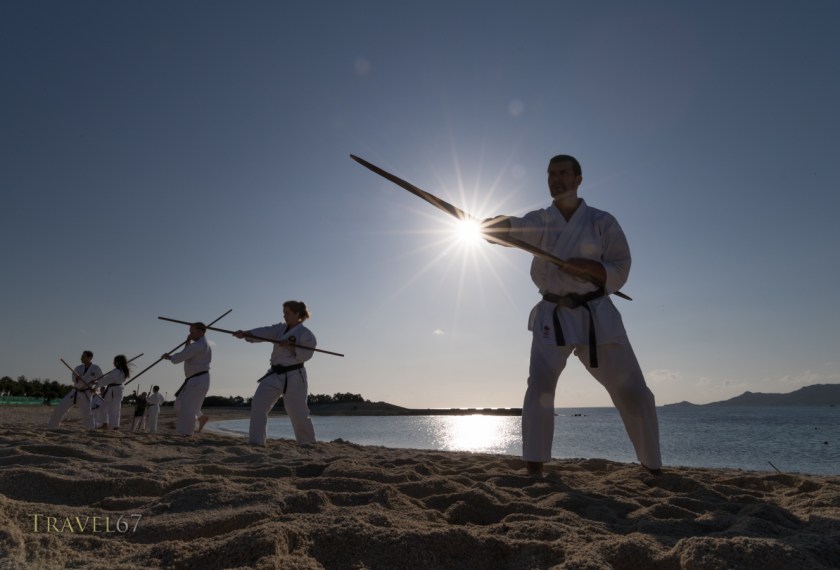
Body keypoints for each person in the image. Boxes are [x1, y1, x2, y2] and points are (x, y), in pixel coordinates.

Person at [484, 154, 662, 476]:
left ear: (579, 179)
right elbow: (518, 230)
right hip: (553, 315)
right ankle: (534, 467)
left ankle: (652, 467)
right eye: (551, 173)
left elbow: (621, 266)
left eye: (563, 173)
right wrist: (500, 226)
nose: (556, 179)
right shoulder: (542, 219)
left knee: (634, 390)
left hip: (597, 314)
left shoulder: (601, 222)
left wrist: (592, 268)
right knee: (539, 387)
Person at [234, 300, 317, 446]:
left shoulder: (306, 334)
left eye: (287, 313)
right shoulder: (279, 329)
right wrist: (246, 334)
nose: (284, 316)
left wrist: (291, 347)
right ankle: (256, 442)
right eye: (284, 312)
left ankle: (307, 443)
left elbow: (307, 355)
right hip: (274, 373)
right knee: (259, 404)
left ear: (298, 314)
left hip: (295, 375)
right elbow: (264, 332)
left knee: (297, 411)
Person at [163, 322, 211, 436]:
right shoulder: (199, 344)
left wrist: (169, 357)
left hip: (198, 380)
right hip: (196, 379)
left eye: (192, 332)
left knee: (187, 407)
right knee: (180, 404)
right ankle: (199, 419)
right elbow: (186, 353)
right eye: (190, 332)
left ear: (200, 332)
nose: (190, 334)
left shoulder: (199, 345)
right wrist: (188, 341)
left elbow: (181, 357)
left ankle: (186, 433)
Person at [48, 350, 102, 429]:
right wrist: (77, 378)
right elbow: (73, 378)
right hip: (75, 391)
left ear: (89, 358)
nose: (81, 358)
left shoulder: (96, 368)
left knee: (87, 413)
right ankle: (53, 425)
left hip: (86, 393)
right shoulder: (78, 368)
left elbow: (101, 380)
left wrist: (95, 387)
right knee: (60, 407)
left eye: (83, 356)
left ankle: (91, 428)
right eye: (81, 356)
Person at [99, 354, 131, 430]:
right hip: (117, 390)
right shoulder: (122, 370)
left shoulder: (116, 371)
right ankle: (108, 424)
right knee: (113, 409)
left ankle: (112, 426)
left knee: (110, 409)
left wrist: (97, 381)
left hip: (113, 391)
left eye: (114, 361)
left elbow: (105, 381)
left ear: (118, 362)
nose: (113, 363)